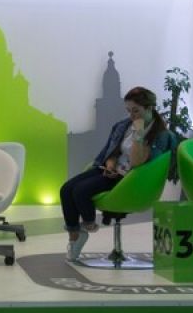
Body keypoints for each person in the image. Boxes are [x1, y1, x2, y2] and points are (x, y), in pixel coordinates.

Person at [59, 86, 176, 261]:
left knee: (80, 191)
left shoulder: (161, 135)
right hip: (112, 171)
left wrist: (139, 133)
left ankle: (89, 223)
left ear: (150, 108)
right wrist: (110, 164)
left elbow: (137, 163)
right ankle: (75, 237)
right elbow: (112, 151)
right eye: (128, 110)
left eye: (136, 110)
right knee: (66, 189)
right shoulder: (122, 125)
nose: (132, 115)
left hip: (129, 179)